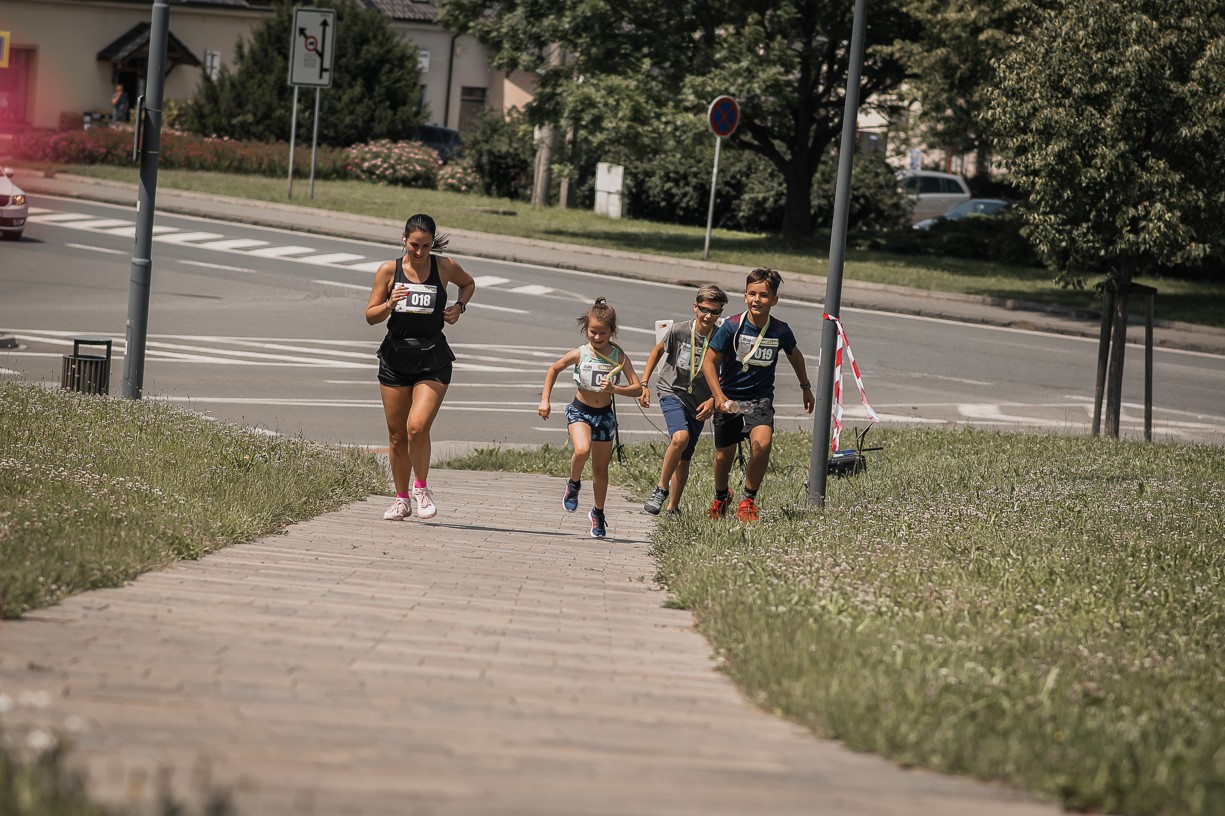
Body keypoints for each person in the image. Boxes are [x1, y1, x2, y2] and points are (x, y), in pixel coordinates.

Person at [366, 214, 475, 522]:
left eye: (426, 246)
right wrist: (389, 304)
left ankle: (421, 488)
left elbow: (468, 284)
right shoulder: (389, 270)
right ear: (404, 239)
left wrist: (459, 307)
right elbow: (370, 316)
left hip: (433, 358)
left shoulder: (444, 266)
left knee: (417, 426)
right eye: (414, 245)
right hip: (396, 357)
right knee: (397, 435)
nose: (419, 252)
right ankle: (401, 500)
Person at [701, 267, 814, 522]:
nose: (757, 299)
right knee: (723, 457)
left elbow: (795, 356)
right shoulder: (731, 326)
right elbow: (708, 362)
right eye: (752, 294)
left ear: (774, 300)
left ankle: (747, 501)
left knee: (762, 444)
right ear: (745, 296)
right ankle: (721, 497)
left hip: (759, 401)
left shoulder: (780, 330)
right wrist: (718, 397)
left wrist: (805, 387)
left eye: (763, 295)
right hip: (729, 400)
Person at [538, 298, 643, 538]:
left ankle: (598, 513)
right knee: (582, 449)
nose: (597, 337)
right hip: (580, 411)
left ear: (612, 332)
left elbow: (637, 388)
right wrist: (545, 400)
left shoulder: (619, 357)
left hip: (604, 415)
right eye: (593, 332)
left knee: (600, 470)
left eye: (602, 333)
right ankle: (573, 483)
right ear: (586, 328)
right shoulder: (580, 353)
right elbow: (553, 369)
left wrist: (615, 389)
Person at [637, 284, 729, 516]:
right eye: (704, 309)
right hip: (672, 391)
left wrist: (713, 400)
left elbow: (726, 373)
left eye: (715, 312)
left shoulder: (722, 337)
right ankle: (660, 488)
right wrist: (644, 383)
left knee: (685, 457)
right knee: (680, 437)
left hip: (699, 401)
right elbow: (657, 351)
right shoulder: (679, 330)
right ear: (695, 307)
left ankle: (673, 508)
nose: (708, 316)